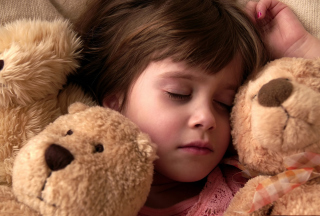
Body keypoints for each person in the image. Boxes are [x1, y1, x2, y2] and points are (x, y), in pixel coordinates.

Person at [74, 0, 320, 215]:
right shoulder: (78, 192)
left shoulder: (249, 187)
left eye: (225, 103)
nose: (206, 118)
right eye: (178, 94)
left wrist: (301, 50)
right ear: (114, 103)